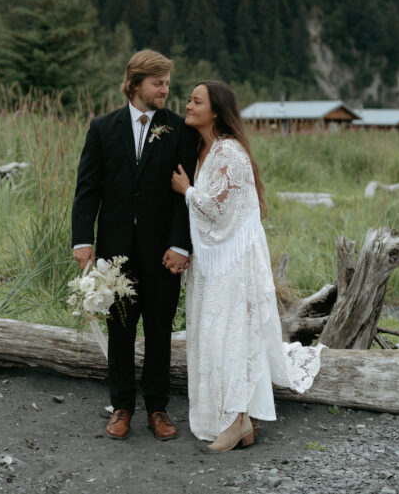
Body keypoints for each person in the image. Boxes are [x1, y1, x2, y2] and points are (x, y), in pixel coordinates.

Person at [171, 81, 324, 451]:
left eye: (196, 101)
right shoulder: (202, 149)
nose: (188, 105)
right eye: (189, 100)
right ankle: (241, 421)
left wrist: (187, 191)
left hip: (232, 264)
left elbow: (224, 211)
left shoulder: (230, 152)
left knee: (228, 336)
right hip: (210, 263)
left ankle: (236, 418)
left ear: (217, 111)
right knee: (210, 335)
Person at [72, 49, 198, 441]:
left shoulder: (180, 129)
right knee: (121, 330)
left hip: (163, 253)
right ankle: (122, 406)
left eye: (167, 83)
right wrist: (82, 240)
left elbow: (184, 193)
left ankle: (158, 409)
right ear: (136, 84)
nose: (166, 90)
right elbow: (88, 189)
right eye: (158, 83)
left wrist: (181, 245)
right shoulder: (102, 128)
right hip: (115, 252)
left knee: (160, 331)